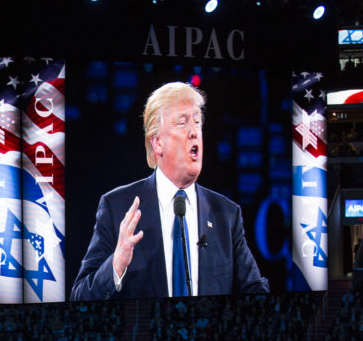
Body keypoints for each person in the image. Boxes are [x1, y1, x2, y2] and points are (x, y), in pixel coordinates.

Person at [70, 82, 268, 301]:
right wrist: (116, 265)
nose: (194, 132)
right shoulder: (117, 207)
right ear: (158, 144)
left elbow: (256, 294)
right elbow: (79, 299)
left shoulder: (227, 215)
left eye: (197, 122)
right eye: (182, 123)